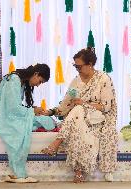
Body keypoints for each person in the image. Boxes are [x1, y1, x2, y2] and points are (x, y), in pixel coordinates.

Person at [41, 47, 118, 183]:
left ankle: (57, 143)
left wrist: (84, 103)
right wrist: (51, 112)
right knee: (78, 121)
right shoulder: (76, 81)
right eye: (75, 66)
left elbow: (106, 107)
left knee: (78, 109)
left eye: (79, 66)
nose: (77, 69)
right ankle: (78, 173)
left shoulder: (103, 79)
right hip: (80, 117)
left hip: (98, 117)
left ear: (90, 65)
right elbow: (65, 105)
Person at [0, 64, 55, 183]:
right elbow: (12, 108)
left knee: (45, 120)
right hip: (8, 119)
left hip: (12, 116)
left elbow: (15, 106)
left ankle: (18, 174)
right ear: (36, 74)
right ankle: (19, 174)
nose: (38, 84)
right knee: (46, 121)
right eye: (40, 81)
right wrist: (32, 111)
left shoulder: (19, 81)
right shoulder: (14, 80)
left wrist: (32, 110)